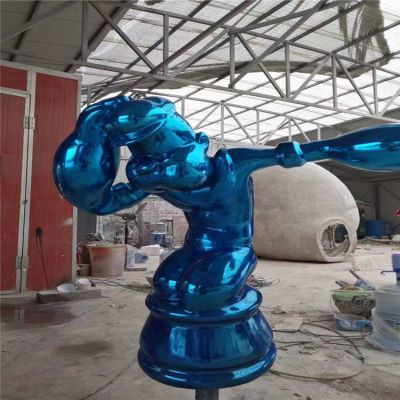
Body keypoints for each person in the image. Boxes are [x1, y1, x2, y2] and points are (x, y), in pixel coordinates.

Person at [54, 95, 400, 388]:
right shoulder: (157, 181)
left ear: (201, 142)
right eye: (151, 164)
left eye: (172, 160)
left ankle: (241, 347)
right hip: (196, 248)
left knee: (199, 294)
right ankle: (173, 353)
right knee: (166, 285)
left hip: (234, 250)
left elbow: (321, 150)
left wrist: (308, 151)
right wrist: (91, 127)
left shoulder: (235, 162)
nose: (163, 171)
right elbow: (100, 202)